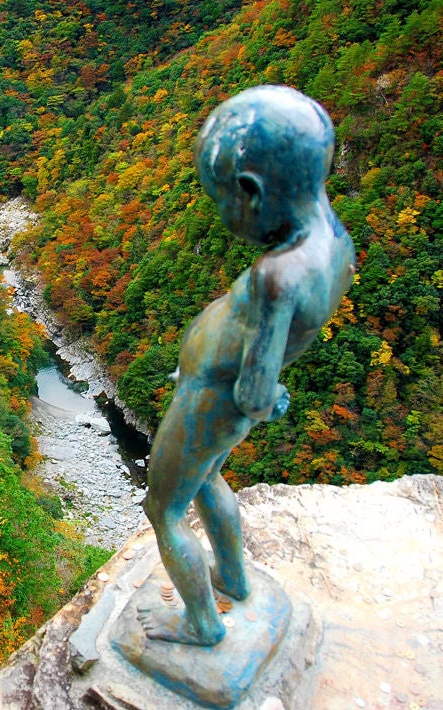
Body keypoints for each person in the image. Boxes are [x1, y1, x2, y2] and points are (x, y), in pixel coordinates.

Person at [139, 85, 356, 645]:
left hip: (211, 401)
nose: (220, 214)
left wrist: (245, 395)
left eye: (221, 201)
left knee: (163, 509)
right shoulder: (335, 244)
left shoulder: (276, 277)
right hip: (211, 394)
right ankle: (232, 578)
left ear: (251, 193)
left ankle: (202, 625)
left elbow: (255, 392)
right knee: (208, 478)